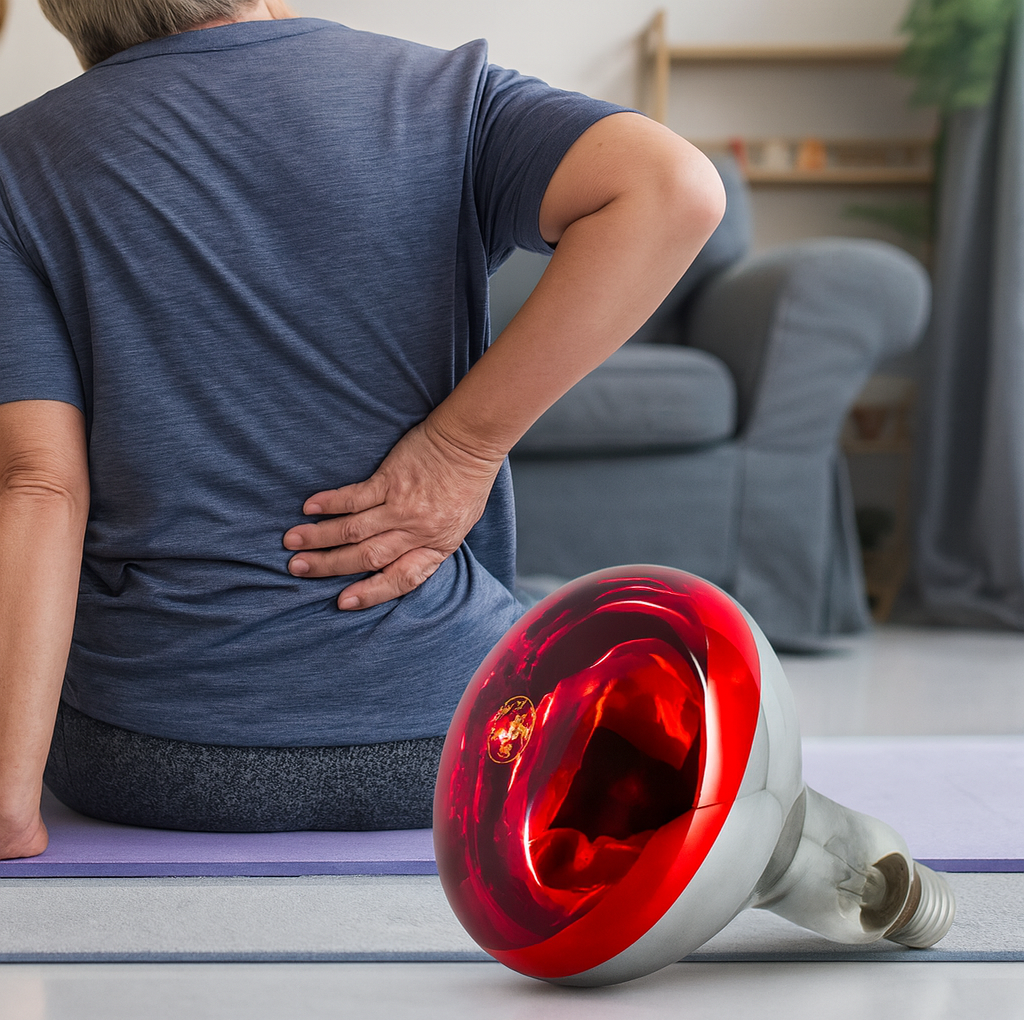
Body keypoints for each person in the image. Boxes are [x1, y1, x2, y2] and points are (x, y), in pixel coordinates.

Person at [0, 0, 725, 860]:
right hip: (463, 741)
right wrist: (465, 446)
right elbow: (674, 188)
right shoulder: (437, 96)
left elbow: (39, 486)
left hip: (148, 761)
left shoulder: (15, 164)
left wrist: (10, 797)